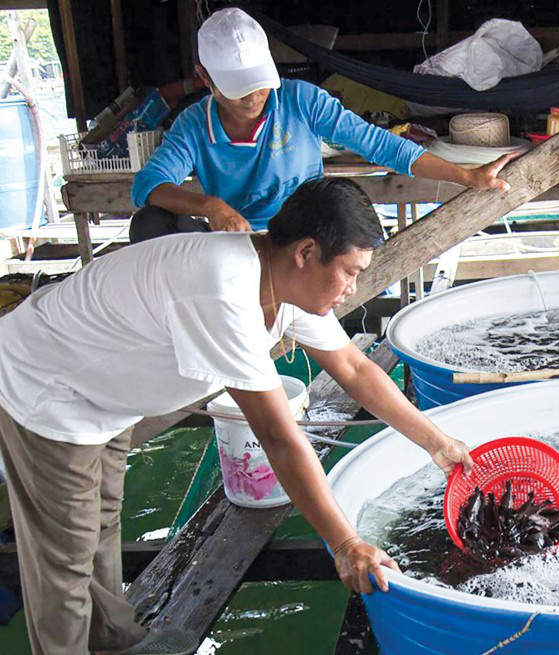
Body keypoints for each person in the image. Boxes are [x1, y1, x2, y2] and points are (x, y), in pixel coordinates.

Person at [0, 178, 473, 655]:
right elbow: (278, 436)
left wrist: (438, 442)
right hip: (50, 388)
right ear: (307, 251)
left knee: (100, 522)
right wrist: (346, 543)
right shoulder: (223, 291)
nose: (353, 289)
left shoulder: (282, 281)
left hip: (108, 394)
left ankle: (112, 641)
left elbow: (353, 367)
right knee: (65, 559)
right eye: (349, 272)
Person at [129, 7, 513, 243]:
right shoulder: (194, 125)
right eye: (237, 88)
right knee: (149, 223)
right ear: (204, 77)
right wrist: (210, 206)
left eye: (260, 83)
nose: (253, 96)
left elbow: (381, 145)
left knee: (345, 210)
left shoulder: (299, 100)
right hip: (234, 244)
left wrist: (466, 176)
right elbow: (147, 184)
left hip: (303, 237)